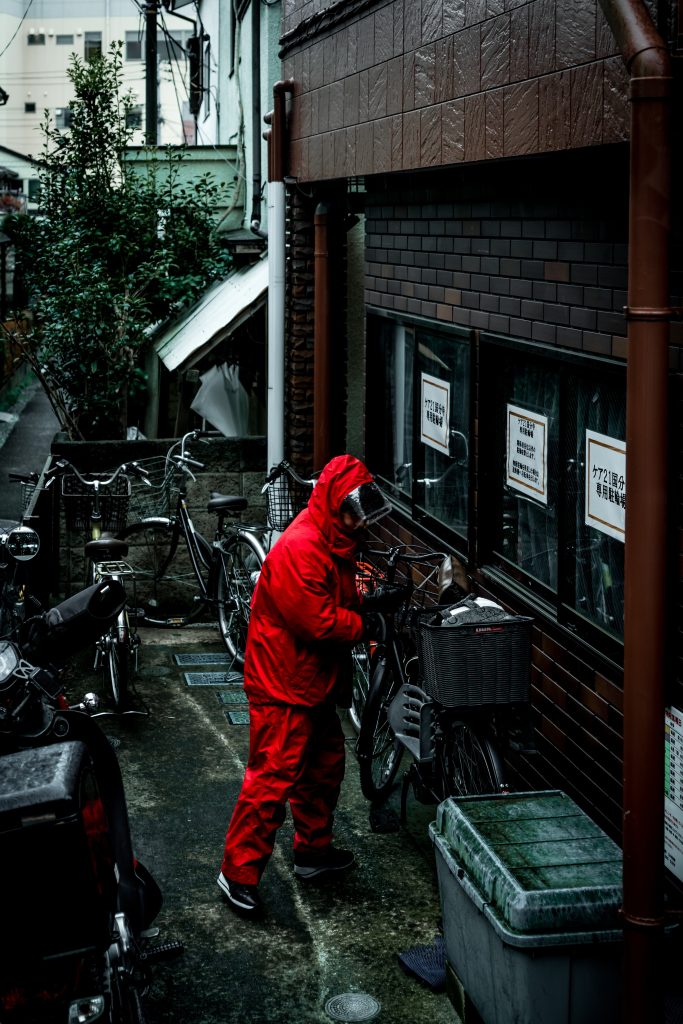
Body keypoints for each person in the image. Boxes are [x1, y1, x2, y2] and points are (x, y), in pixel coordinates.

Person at [217, 453, 404, 914]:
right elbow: (319, 622)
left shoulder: (331, 536)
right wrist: (369, 625)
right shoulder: (305, 547)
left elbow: (335, 595)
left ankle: (312, 853)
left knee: (322, 767)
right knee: (272, 777)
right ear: (335, 505)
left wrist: (367, 600)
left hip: (307, 679)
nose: (360, 524)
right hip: (283, 683)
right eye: (352, 513)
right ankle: (236, 873)